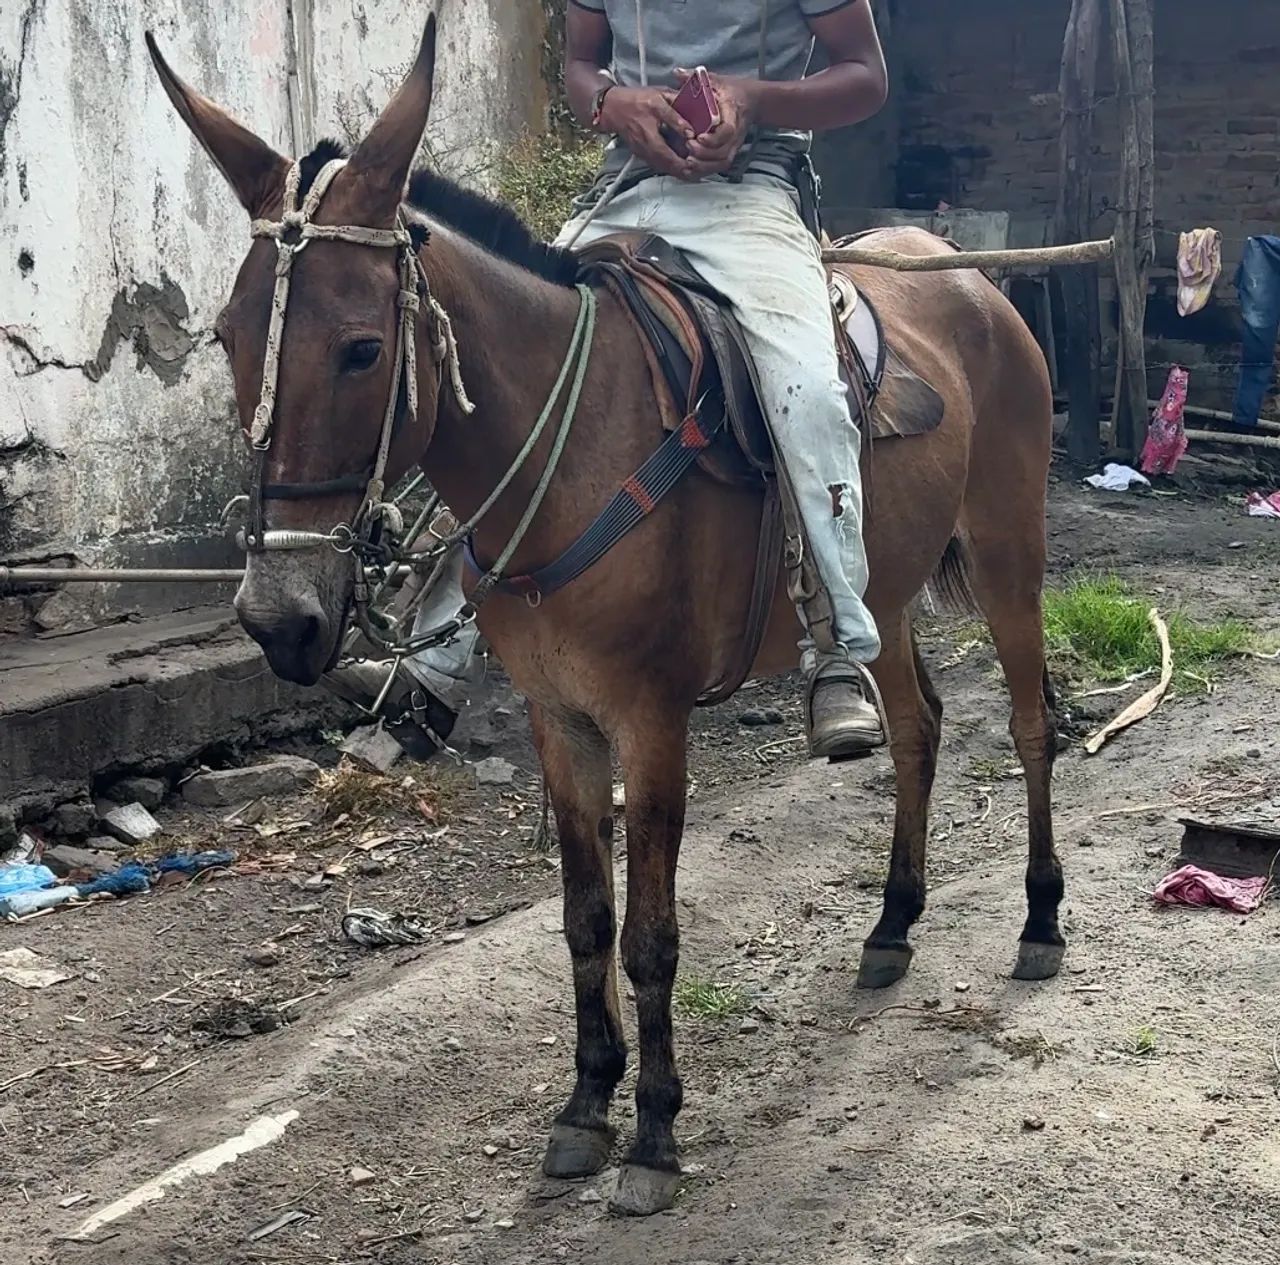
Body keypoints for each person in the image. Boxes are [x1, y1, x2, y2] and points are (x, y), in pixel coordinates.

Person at [327, 0, 890, 760]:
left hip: (751, 196)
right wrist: (612, 103)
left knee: (811, 395)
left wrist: (753, 102)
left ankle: (837, 647)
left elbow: (866, 77)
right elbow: (580, 71)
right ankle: (432, 659)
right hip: (625, 196)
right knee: (495, 361)